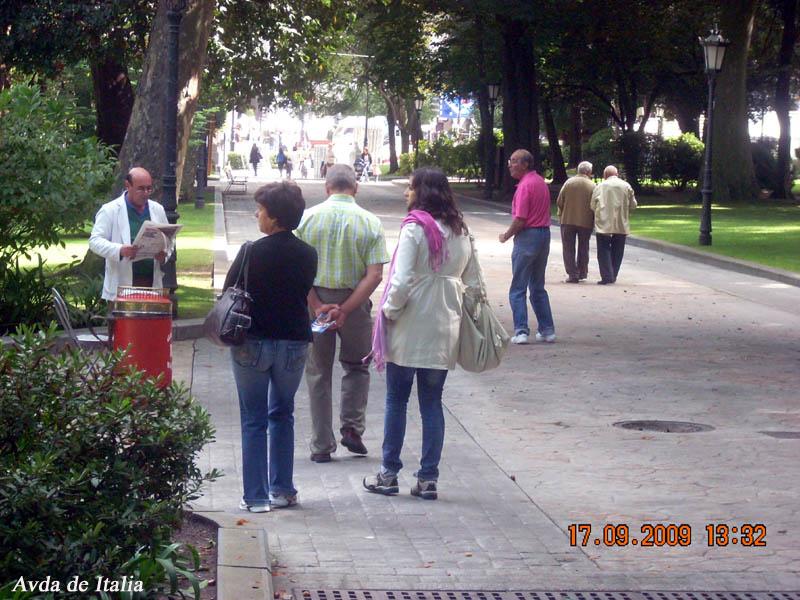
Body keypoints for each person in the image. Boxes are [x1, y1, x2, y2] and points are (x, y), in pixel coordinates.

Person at [362, 168, 480, 500]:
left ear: (422, 192)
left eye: (410, 188)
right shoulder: (461, 230)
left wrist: (388, 311)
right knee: (432, 401)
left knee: (396, 399)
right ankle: (428, 478)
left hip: (410, 323)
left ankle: (388, 474)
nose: (406, 193)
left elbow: (400, 281)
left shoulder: (415, 228)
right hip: (444, 323)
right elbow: (473, 280)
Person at [226, 181, 318, 512]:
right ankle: (282, 488)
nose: (257, 215)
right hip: (293, 341)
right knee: (282, 412)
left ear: (275, 217)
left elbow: (229, 289)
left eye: (261, 210)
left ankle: (255, 497)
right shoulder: (308, 254)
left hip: (253, 340)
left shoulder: (252, 251)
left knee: (254, 418)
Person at [295, 164, 390, 463]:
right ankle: (352, 427)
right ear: (356, 188)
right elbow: (375, 274)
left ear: (326, 188)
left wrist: (316, 304)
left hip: (317, 303)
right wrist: (346, 309)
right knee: (357, 365)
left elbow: (296, 271)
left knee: (318, 371)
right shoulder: (370, 222)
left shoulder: (306, 219)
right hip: (355, 303)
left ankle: (321, 444)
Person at [498, 149, 556, 345]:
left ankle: (521, 331)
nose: (510, 164)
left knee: (518, 287)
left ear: (525, 164)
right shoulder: (540, 182)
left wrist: (506, 236)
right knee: (538, 285)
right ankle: (547, 330)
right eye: (510, 160)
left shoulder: (524, 186)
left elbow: (520, 219)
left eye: (515, 161)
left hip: (528, 236)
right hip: (544, 234)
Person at [89, 167, 169, 300]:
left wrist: (164, 254)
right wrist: (120, 249)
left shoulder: (157, 209)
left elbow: (168, 240)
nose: (145, 193)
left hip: (151, 283)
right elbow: (95, 241)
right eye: (140, 189)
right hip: (122, 283)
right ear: (128, 185)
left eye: (149, 189)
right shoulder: (110, 210)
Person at [591, 165, 637, 285]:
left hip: (604, 222)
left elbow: (592, 205)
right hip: (621, 222)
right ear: (617, 174)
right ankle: (614, 274)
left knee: (603, 250)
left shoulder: (600, 186)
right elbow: (633, 205)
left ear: (605, 175)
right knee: (618, 250)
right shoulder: (626, 186)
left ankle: (607, 276)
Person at [556, 161, 595, 283]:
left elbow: (559, 201)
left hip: (568, 219)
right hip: (585, 221)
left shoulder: (569, 183)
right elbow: (595, 204)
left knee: (568, 248)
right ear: (588, 172)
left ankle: (572, 274)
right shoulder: (592, 185)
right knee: (584, 247)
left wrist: (562, 212)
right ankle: (582, 272)